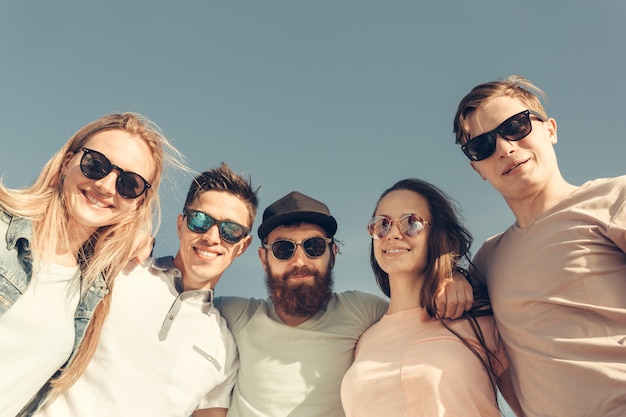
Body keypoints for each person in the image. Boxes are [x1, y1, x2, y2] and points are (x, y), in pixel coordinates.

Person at [452, 75, 626, 416]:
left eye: (516, 127)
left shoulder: (613, 199)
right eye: (483, 146)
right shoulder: (488, 260)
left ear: (550, 130)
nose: (504, 148)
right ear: (477, 169)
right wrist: (454, 276)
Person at [214, 191, 473, 417]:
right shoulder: (234, 316)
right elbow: (181, 296)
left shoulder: (362, 311)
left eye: (314, 247)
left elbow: (414, 315)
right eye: (284, 249)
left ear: (333, 254)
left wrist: (453, 276)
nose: (300, 261)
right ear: (264, 258)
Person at [31, 163, 258, 417]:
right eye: (200, 220)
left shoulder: (225, 349)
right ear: (181, 224)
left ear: (243, 246)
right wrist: (124, 236)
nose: (213, 236)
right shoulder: (120, 269)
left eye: (231, 231)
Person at [0, 112, 185, 417]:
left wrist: (137, 236)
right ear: (66, 162)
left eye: (129, 184)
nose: (107, 186)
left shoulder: (93, 288)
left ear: (138, 202)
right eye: (96, 165)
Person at [341, 179, 521, 417]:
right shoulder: (363, 341)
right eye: (382, 224)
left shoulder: (479, 320)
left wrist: (456, 274)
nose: (393, 234)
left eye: (411, 223)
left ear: (436, 234)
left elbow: (533, 409)